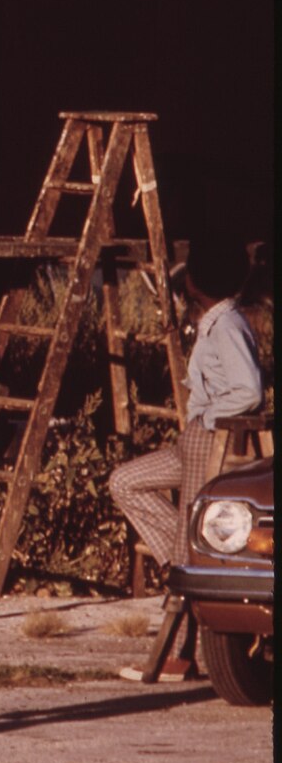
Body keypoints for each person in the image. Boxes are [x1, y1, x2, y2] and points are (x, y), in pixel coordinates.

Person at [110, 236, 263, 680]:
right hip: (193, 438)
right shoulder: (215, 319)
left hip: (209, 439)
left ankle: (182, 654)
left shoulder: (228, 323)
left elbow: (249, 389)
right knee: (126, 482)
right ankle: (172, 563)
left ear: (196, 281)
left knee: (192, 541)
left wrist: (210, 417)